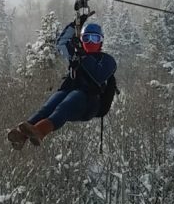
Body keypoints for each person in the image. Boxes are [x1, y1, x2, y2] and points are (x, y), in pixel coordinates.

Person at [7, 19, 117, 149]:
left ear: (101, 42)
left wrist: (83, 55)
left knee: (68, 101)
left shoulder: (107, 61)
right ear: (82, 40)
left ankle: (41, 130)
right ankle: (23, 134)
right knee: (50, 105)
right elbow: (61, 44)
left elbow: (98, 75)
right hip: (70, 92)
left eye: (95, 38)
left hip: (90, 102)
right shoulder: (77, 55)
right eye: (87, 38)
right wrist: (75, 24)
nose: (91, 42)